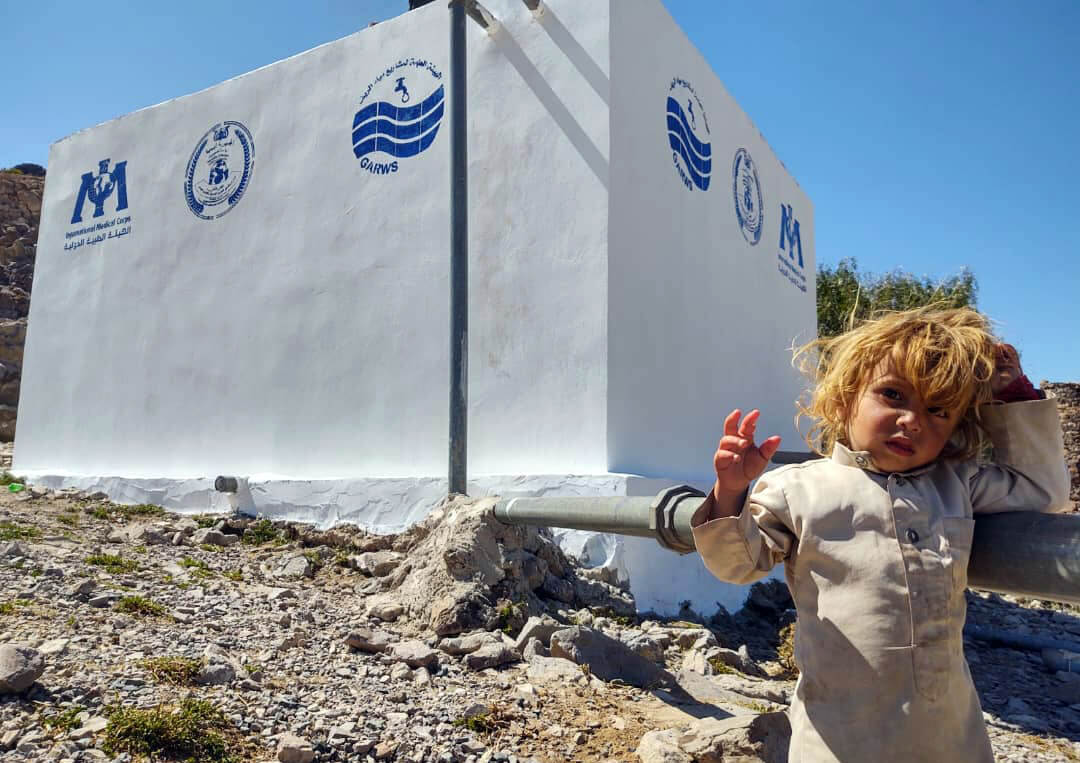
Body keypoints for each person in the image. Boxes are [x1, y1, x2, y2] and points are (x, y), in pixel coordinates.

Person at [691, 306, 1070, 762]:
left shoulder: (957, 483)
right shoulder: (800, 488)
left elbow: (1044, 492)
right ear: (846, 395)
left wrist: (1012, 395)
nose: (913, 420)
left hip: (950, 735)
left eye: (938, 410)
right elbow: (736, 563)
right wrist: (730, 490)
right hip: (839, 737)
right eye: (893, 395)